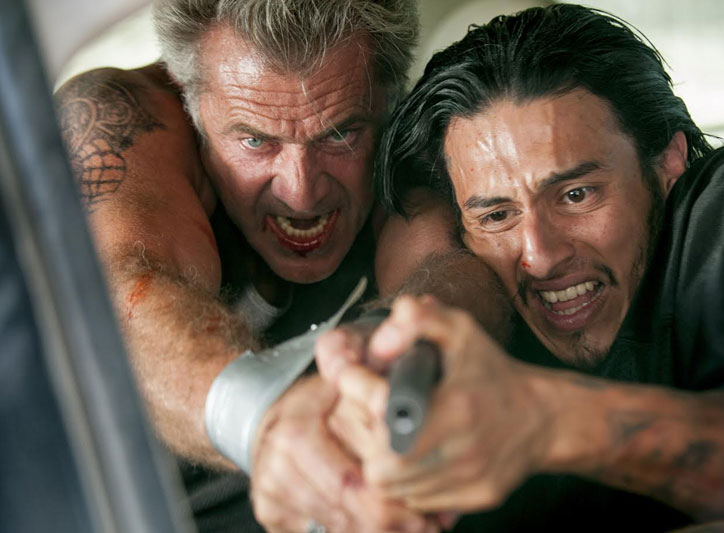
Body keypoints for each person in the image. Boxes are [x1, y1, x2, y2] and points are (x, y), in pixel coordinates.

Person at [316, 4, 724, 531]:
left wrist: (545, 420)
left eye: (576, 194)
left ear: (668, 161)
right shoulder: (484, 307)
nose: (541, 255)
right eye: (498, 215)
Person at [55, 1, 513, 532]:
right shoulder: (122, 117)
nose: (301, 193)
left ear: (385, 98)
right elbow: (121, 295)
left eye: (339, 135)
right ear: (188, 96)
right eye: (255, 140)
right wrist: (265, 420)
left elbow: (447, 266)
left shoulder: (410, 133)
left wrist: (388, 380)